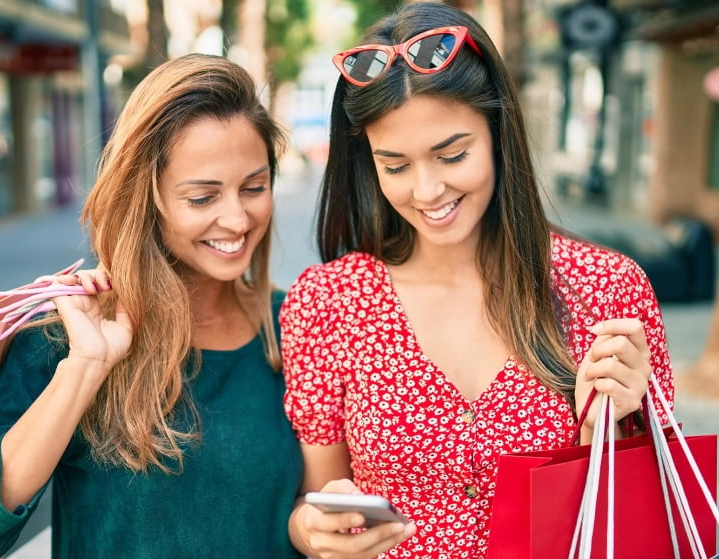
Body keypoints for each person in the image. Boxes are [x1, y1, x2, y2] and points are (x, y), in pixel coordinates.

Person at [279, 3, 674, 558]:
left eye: (453, 154)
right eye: (394, 165)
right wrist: (312, 530)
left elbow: (648, 505)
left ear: (498, 133)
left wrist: (612, 425)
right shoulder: (328, 302)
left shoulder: (605, 289)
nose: (427, 190)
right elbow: (318, 496)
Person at [0, 53, 304, 559]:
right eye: (202, 198)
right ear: (146, 199)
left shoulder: (301, 324)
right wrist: (84, 369)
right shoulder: (66, 337)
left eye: (254, 188)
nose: (237, 219)